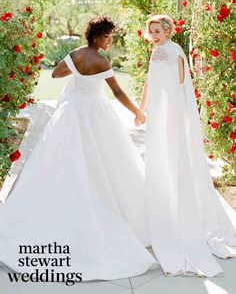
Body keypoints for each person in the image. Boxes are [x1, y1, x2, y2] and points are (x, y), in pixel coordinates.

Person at [0, 15, 159, 282]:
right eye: (107, 36)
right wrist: (138, 113)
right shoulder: (102, 61)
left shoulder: (75, 55)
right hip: (94, 113)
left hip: (71, 111)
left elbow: (55, 73)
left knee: (62, 158)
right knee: (101, 161)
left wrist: (74, 72)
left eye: (111, 36)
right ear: (96, 35)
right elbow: (118, 94)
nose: (110, 40)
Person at [138, 14, 236, 277]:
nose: (155, 35)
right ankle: (163, 205)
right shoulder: (155, 52)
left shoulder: (175, 51)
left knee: (175, 158)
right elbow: (149, 80)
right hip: (157, 114)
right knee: (159, 159)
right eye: (152, 32)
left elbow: (182, 84)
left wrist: (178, 115)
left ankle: (180, 211)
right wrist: (142, 108)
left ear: (168, 31)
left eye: (158, 31)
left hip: (172, 112)